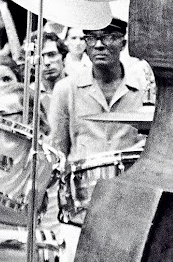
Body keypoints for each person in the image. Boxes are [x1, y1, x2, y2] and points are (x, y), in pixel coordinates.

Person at [48, 18, 152, 165]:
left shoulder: (143, 89)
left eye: (108, 38)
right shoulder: (66, 89)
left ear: (123, 44)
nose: (98, 45)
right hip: (82, 183)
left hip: (129, 181)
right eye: (91, 38)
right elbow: (56, 151)